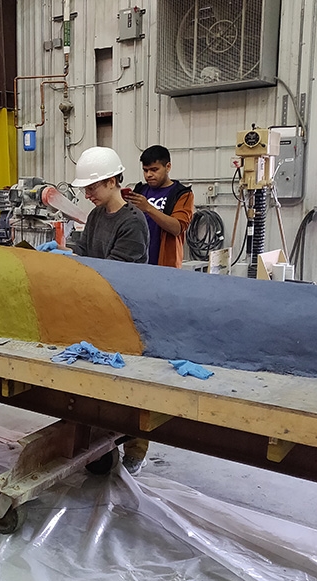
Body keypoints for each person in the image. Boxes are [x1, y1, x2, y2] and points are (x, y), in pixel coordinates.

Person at [118, 144, 195, 475]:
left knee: (151, 361)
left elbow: (177, 229)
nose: (149, 175)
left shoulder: (182, 193)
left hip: (162, 278)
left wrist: (148, 207)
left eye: (155, 170)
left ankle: (139, 445)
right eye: (146, 170)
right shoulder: (137, 191)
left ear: (167, 166)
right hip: (134, 274)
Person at [70, 146, 149, 263]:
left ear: (111, 182)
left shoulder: (132, 223)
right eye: (85, 189)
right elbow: (83, 249)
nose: (86, 195)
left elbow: (113, 268)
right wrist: (63, 251)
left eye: (91, 188)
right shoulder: (96, 213)